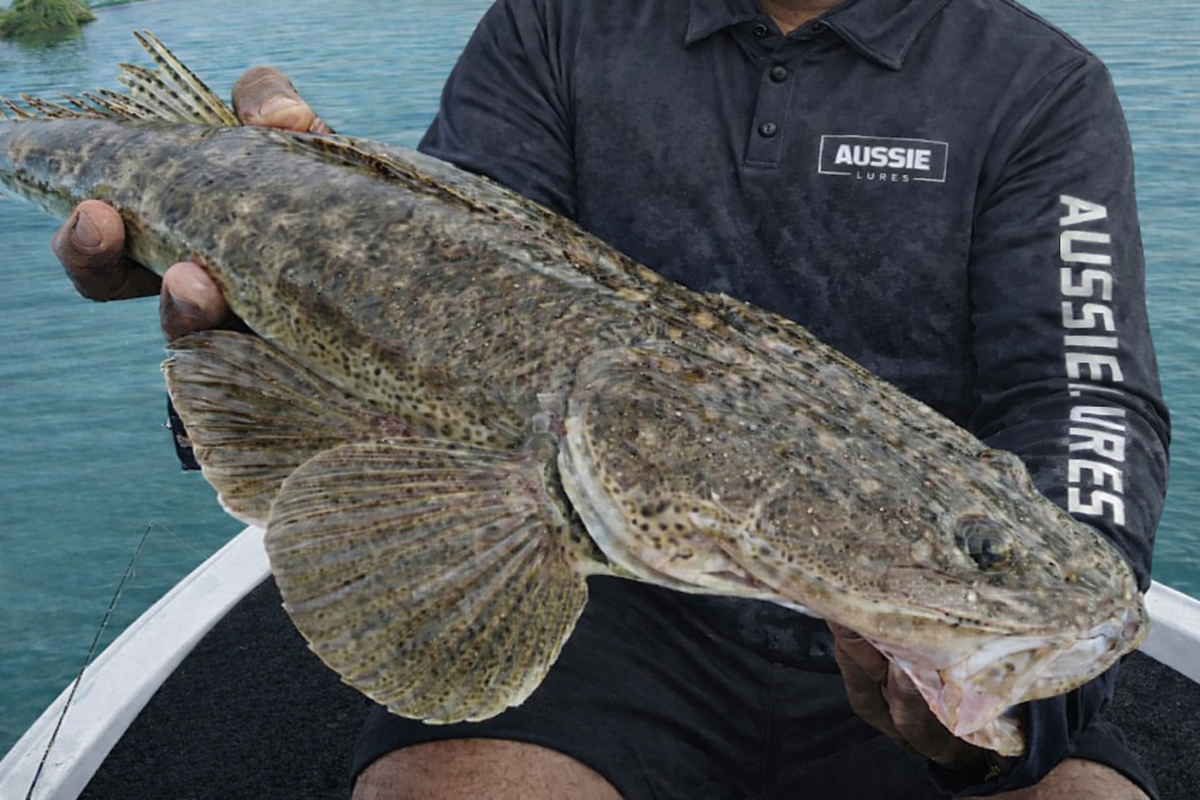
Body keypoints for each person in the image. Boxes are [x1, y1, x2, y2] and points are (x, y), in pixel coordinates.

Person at [53, 0, 1170, 798]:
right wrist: (251, 311)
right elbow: (453, 290)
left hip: (903, 637)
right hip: (604, 611)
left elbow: (1084, 397)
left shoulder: (1039, 84)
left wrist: (1026, 715)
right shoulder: (556, 23)